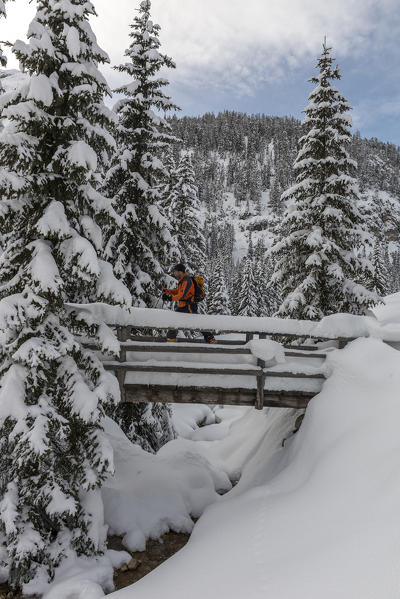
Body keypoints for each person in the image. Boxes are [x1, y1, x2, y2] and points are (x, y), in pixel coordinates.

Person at [162, 263, 216, 344]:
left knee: (196, 323)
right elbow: (178, 291)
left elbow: (181, 295)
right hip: (183, 306)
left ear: (180, 271)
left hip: (189, 306)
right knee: (175, 320)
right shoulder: (182, 280)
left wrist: (170, 298)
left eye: (175, 271)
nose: (174, 273)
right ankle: (171, 338)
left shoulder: (186, 280)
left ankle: (210, 338)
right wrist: (167, 291)